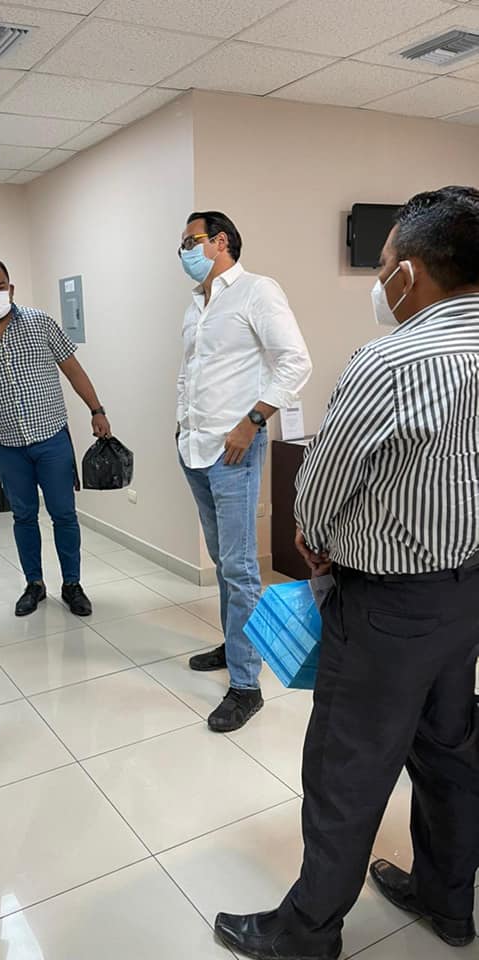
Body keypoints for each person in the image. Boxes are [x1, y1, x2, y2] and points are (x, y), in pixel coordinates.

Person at [214, 186, 479, 959]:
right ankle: (446, 901)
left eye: (384, 263)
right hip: (467, 595)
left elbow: (321, 488)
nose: (379, 278)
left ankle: (307, 931)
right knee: (449, 749)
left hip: (388, 605)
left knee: (347, 765)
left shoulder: (390, 359)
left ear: (410, 275)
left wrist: (316, 541)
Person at [177, 211, 312, 733]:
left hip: (234, 449)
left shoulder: (257, 290)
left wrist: (252, 422)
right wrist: (181, 425)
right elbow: (190, 373)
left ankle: (246, 685)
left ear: (221, 241)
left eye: (191, 240)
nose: (184, 251)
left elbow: (295, 362)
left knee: (239, 568)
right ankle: (236, 642)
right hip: (195, 447)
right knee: (223, 561)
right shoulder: (197, 303)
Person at [0, 256, 111, 618]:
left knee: (64, 514)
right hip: (5, 447)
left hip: (51, 439)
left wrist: (96, 409)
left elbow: (73, 369)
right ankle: (34, 584)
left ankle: (72, 584)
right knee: (23, 516)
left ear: (11, 288)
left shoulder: (40, 323)